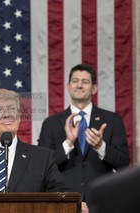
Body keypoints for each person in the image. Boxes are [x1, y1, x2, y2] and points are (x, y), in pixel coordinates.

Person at [38, 64, 129, 201]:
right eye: (75, 81)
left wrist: (100, 147)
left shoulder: (112, 120)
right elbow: (42, 166)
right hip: (63, 200)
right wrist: (68, 144)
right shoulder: (51, 123)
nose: (79, 85)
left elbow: (123, 163)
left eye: (85, 82)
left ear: (94, 89)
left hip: (102, 199)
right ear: (68, 86)